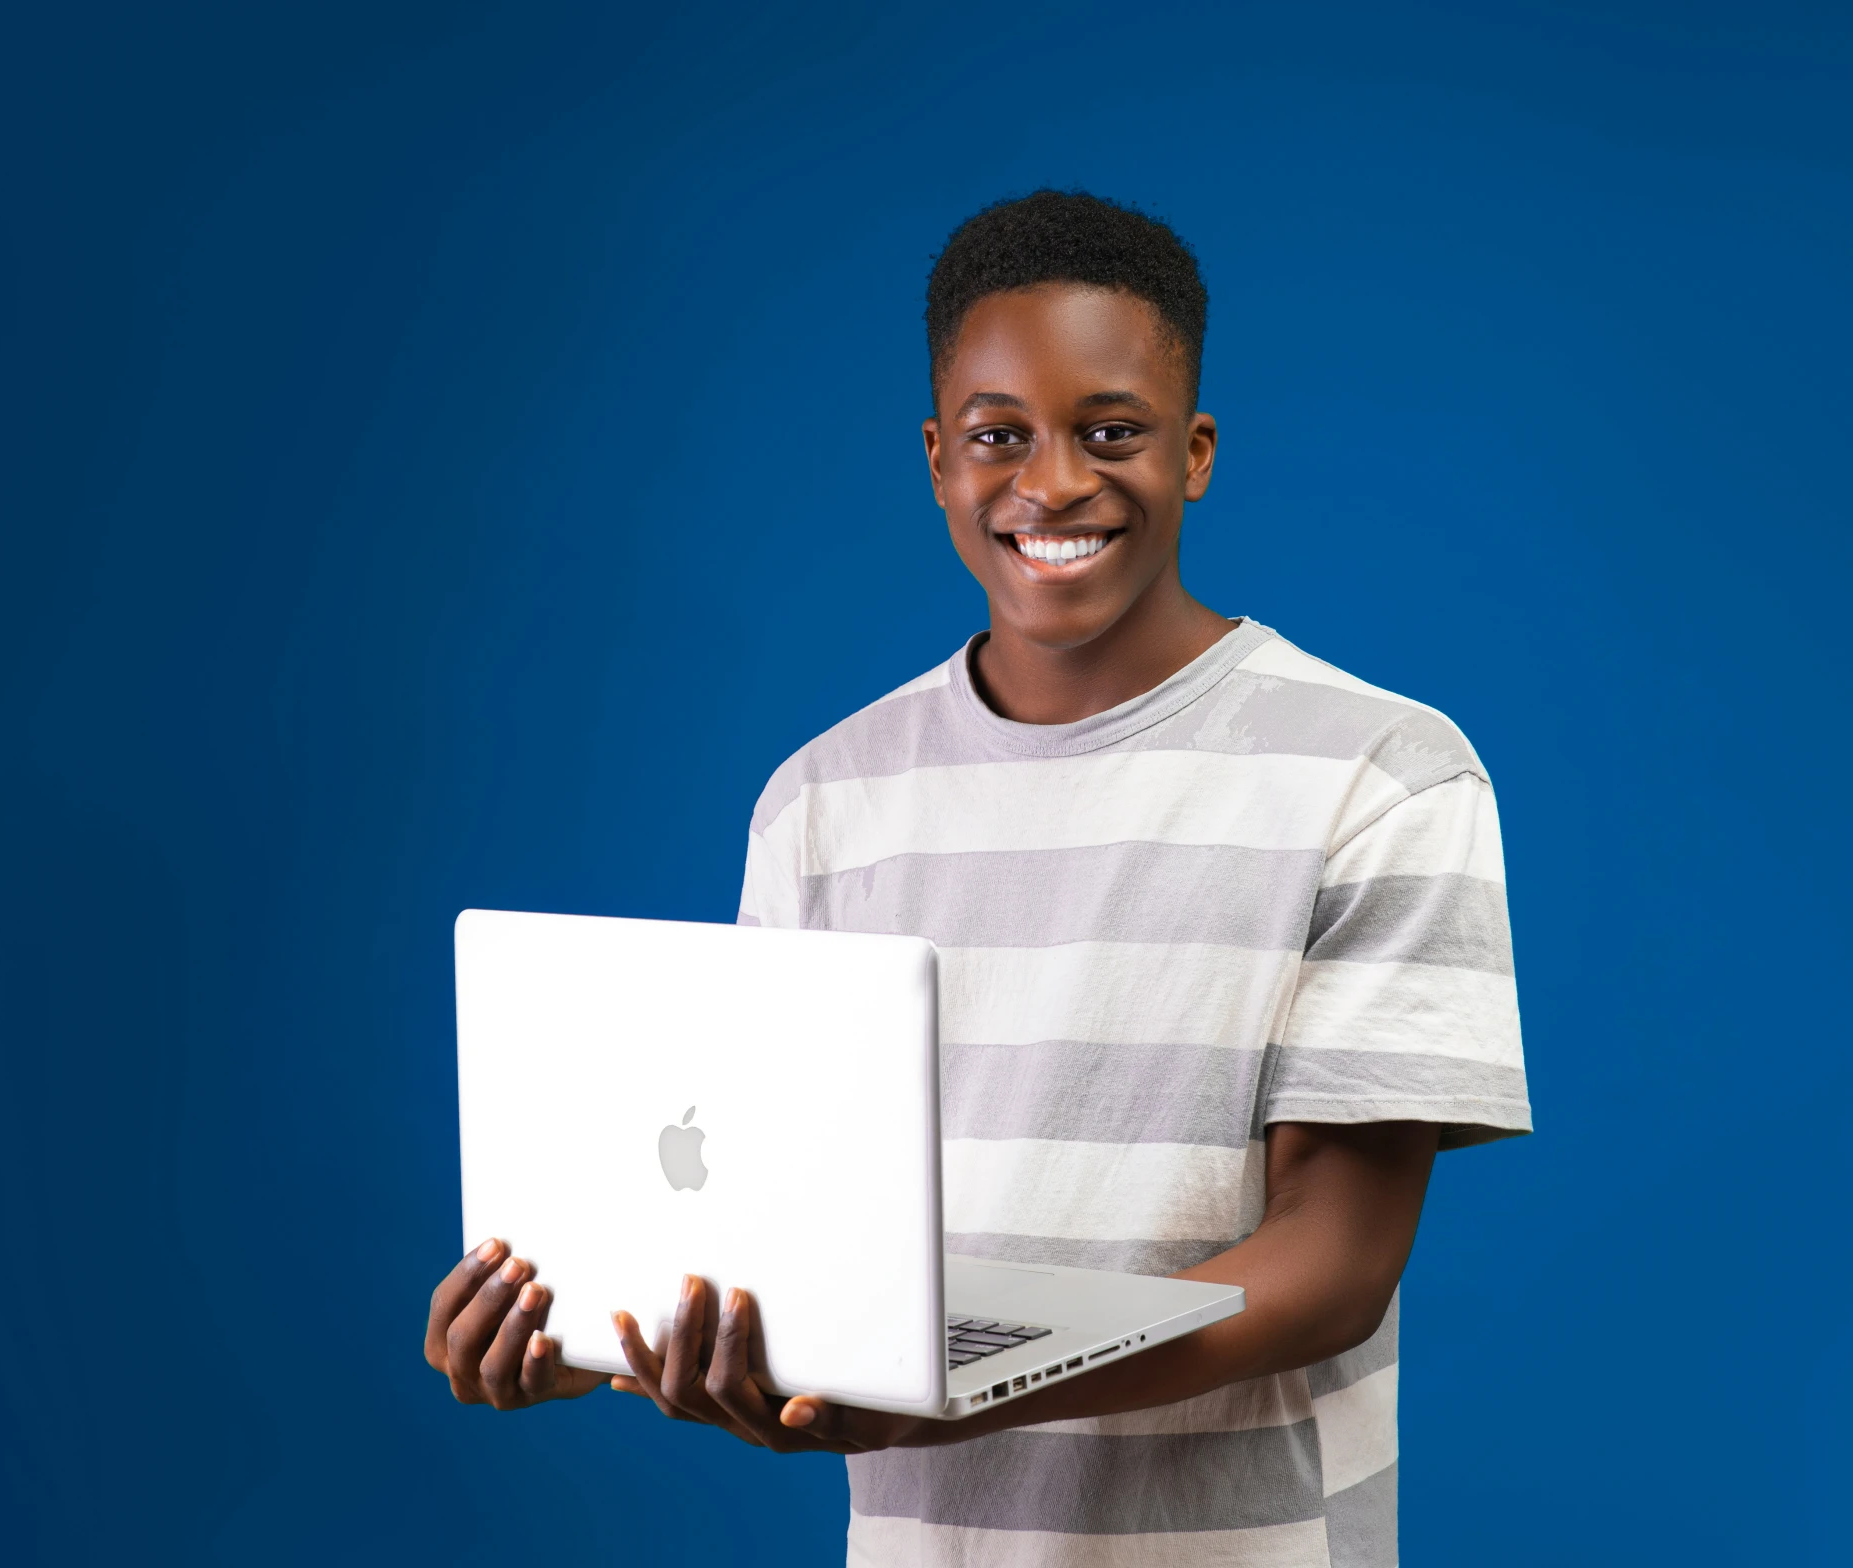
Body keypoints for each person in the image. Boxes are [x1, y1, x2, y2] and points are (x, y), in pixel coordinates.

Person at [423, 190, 1531, 1565]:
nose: (1052, 481)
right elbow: (763, 1214)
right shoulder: (822, 799)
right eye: (1000, 435)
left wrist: (955, 1399)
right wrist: (600, 1328)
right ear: (940, 459)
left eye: (1109, 431)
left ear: (1193, 455)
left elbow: (1334, 1267)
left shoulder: (1382, 771)